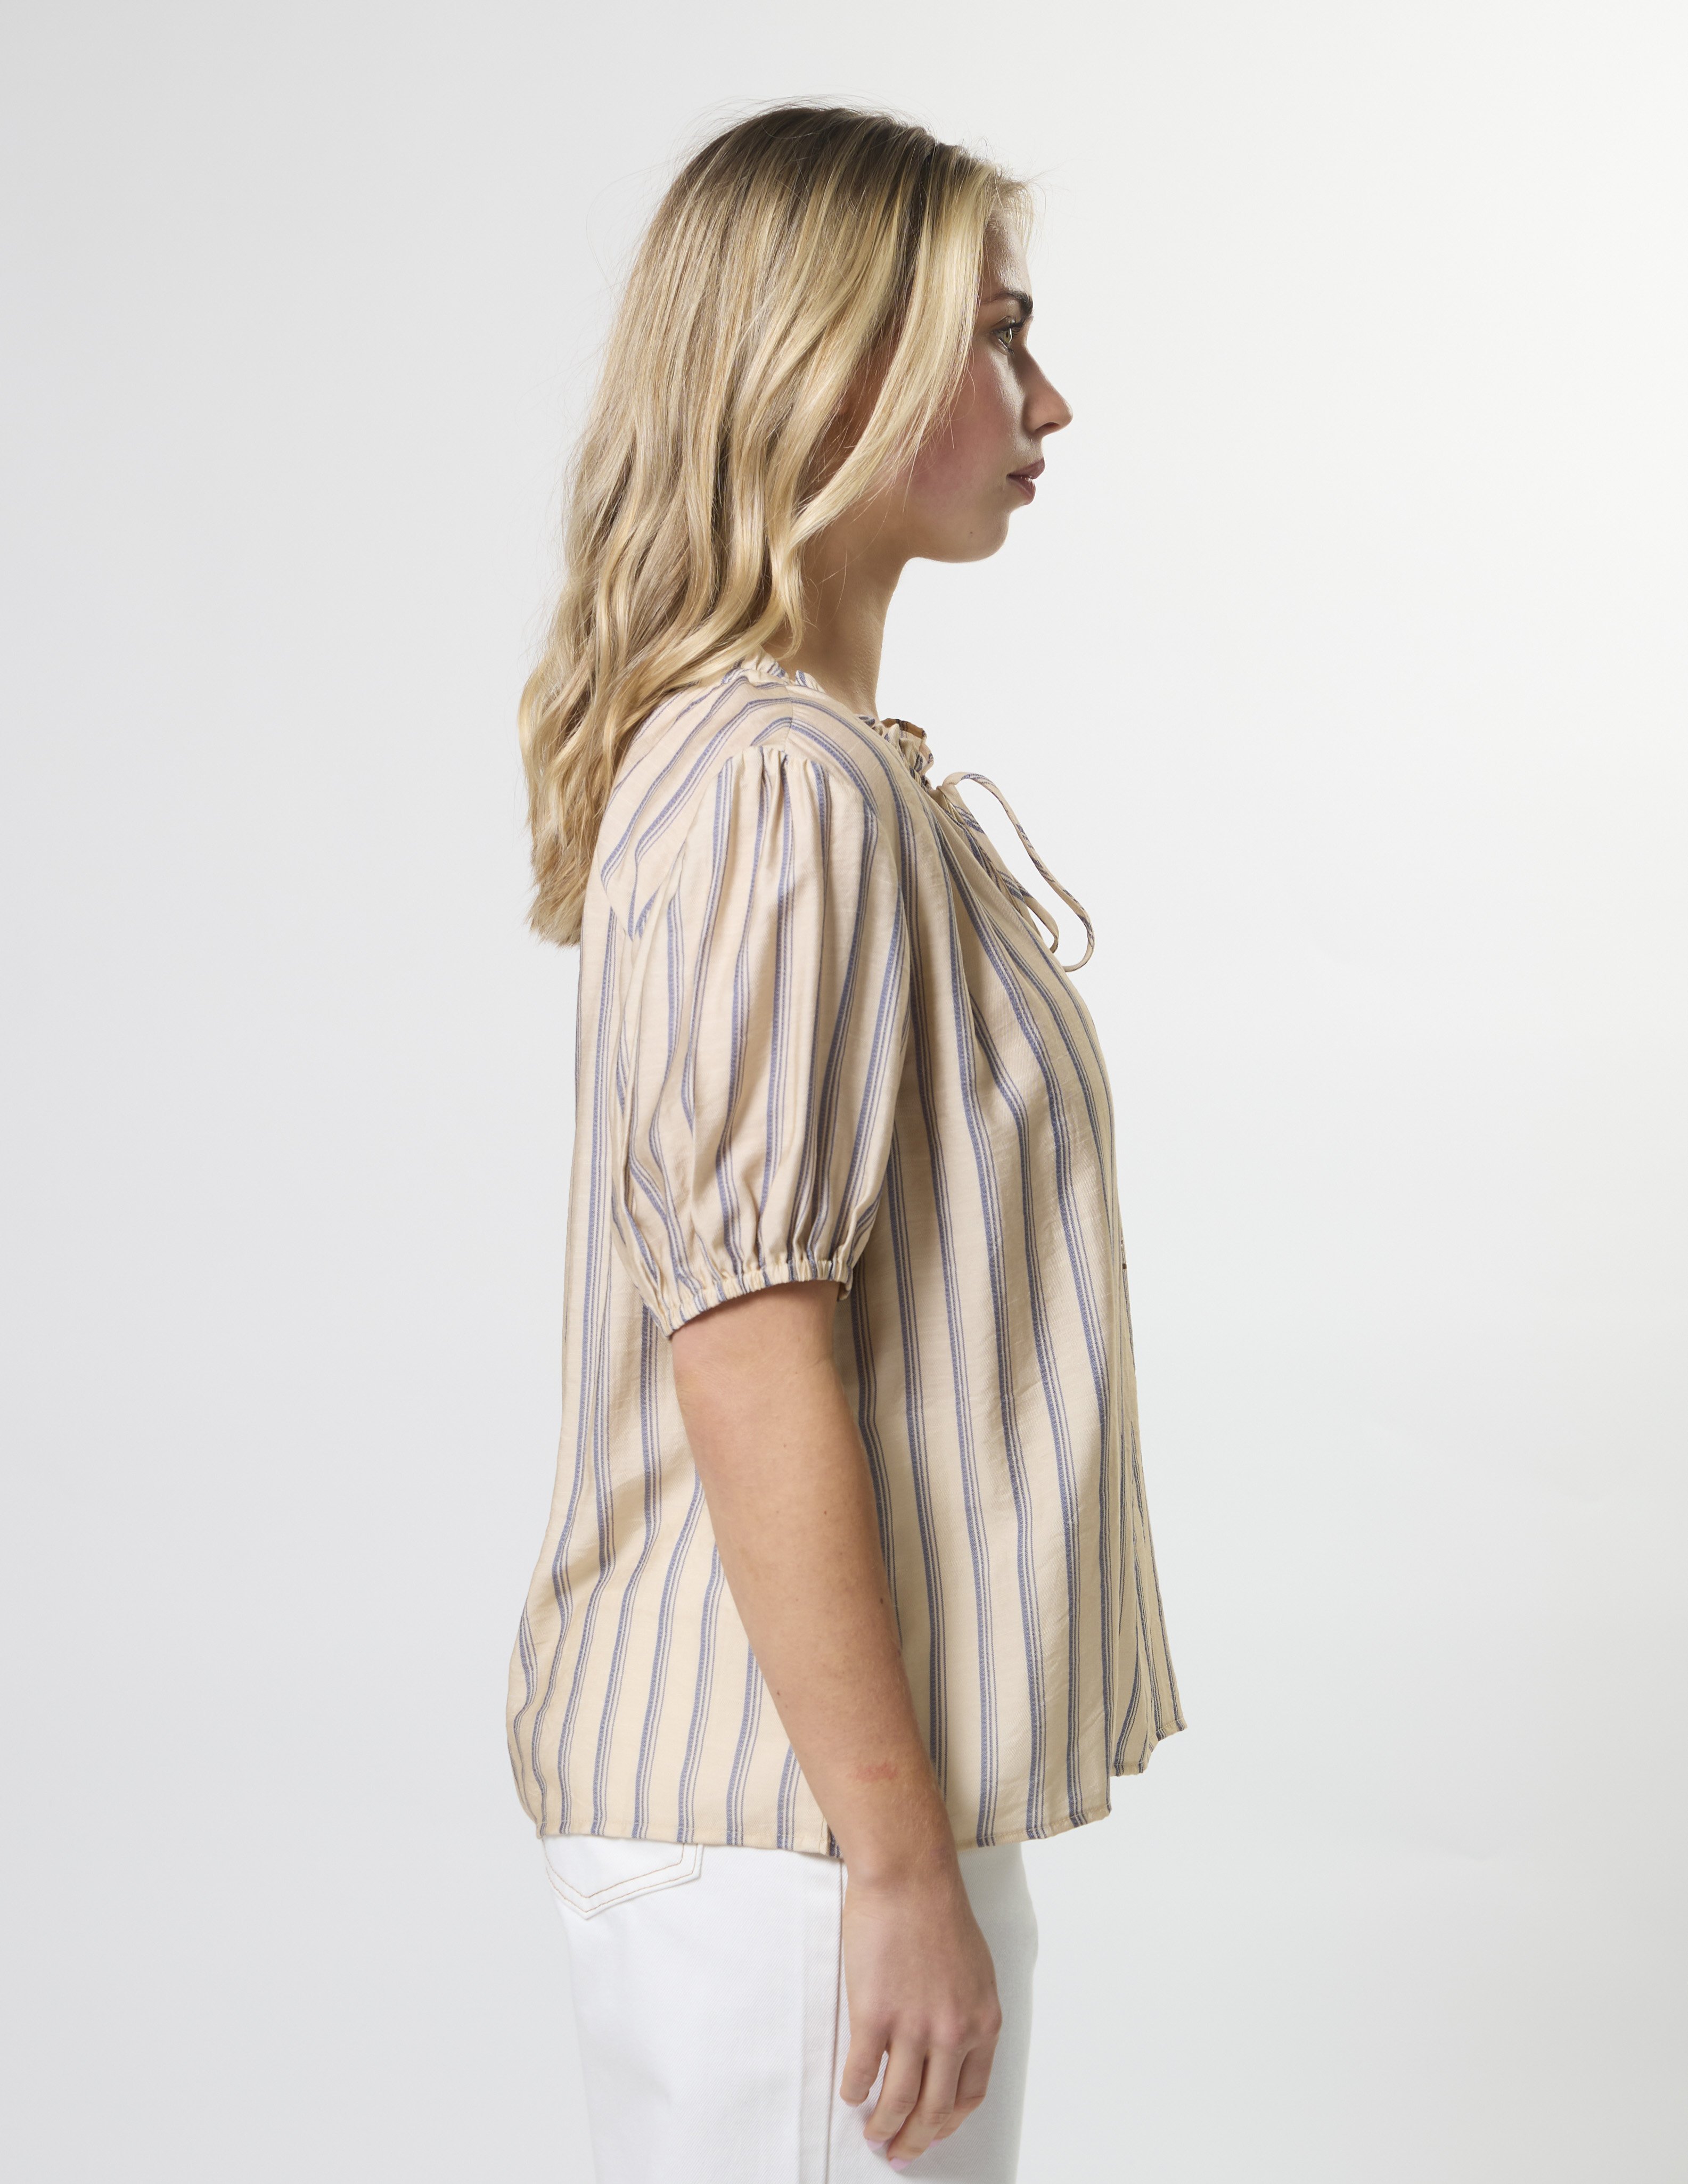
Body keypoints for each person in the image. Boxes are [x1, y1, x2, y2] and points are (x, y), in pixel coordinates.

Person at [506, 104, 1184, 2182]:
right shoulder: (772, 784)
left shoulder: (797, 769)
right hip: (798, 1846)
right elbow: (745, 1340)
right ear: (829, 365)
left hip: (817, 1830)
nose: (1045, 400)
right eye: (997, 333)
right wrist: (893, 1869)